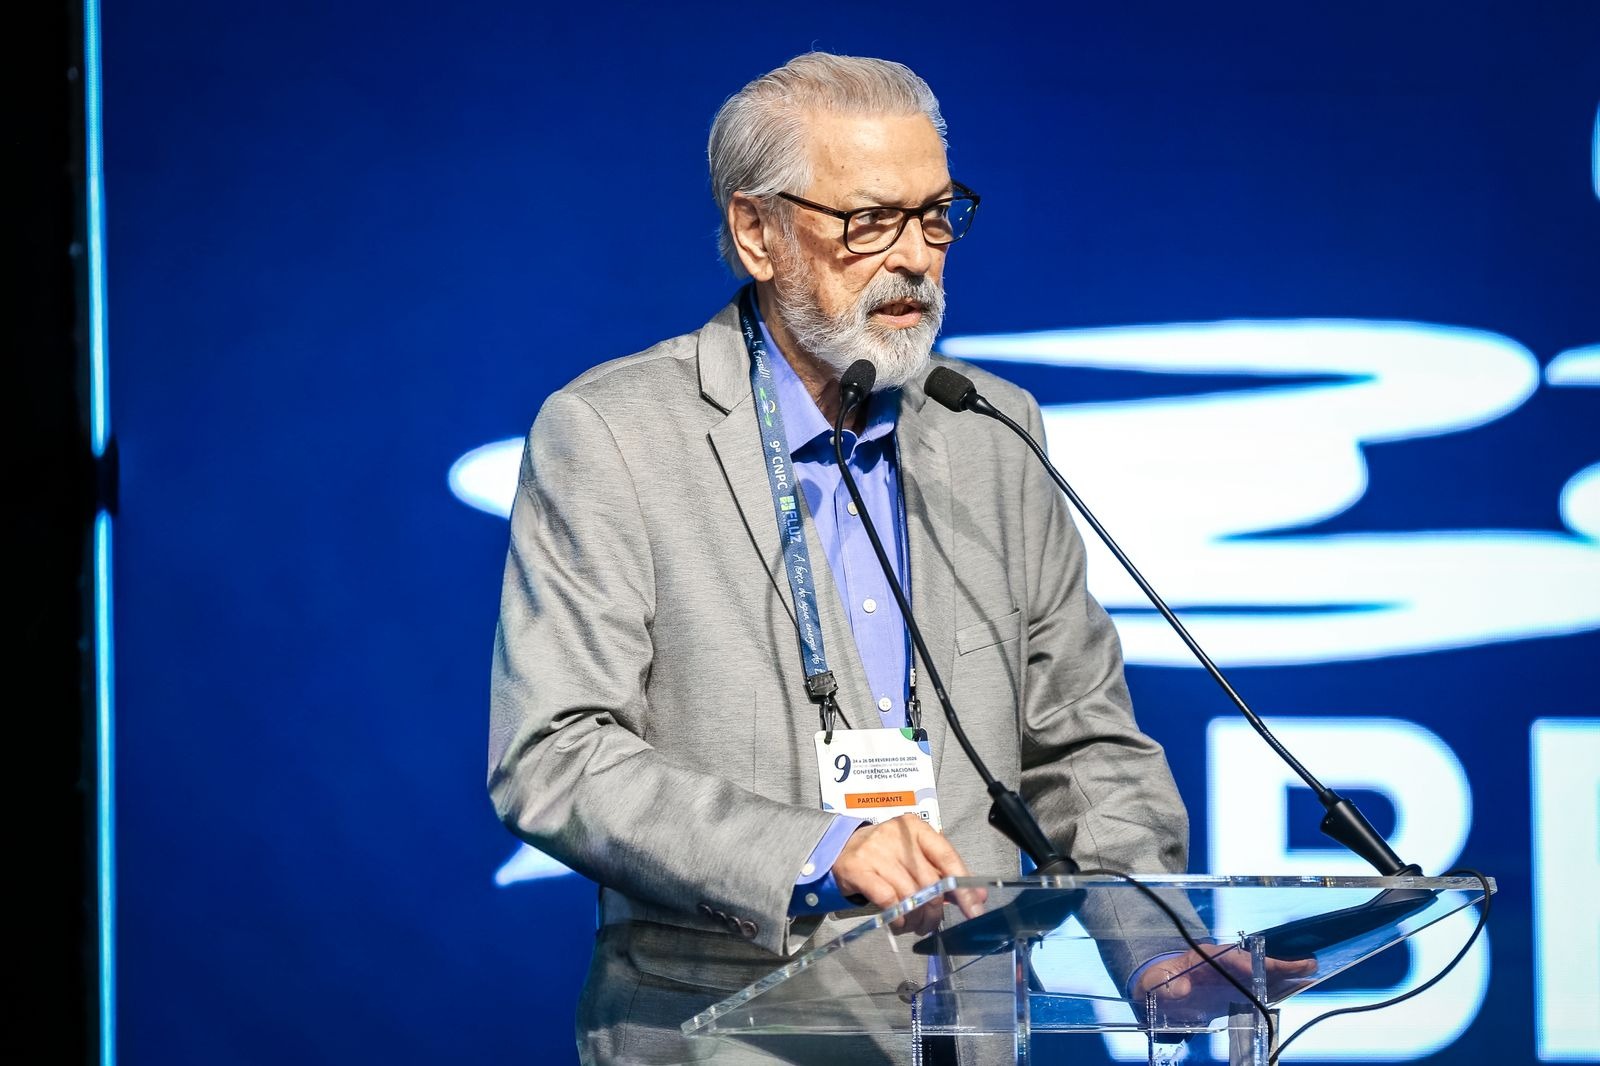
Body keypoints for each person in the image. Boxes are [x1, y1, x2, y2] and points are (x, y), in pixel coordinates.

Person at [489, 52, 1232, 1064]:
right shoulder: (615, 435)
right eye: (870, 220)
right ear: (756, 232)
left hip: (962, 1030)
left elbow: (1080, 741)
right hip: (723, 1037)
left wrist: (1153, 945)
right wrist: (820, 847)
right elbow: (557, 754)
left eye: (936, 216)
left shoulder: (991, 429)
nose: (917, 257)